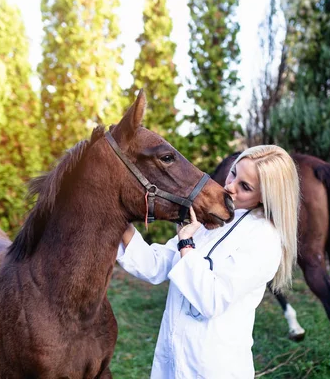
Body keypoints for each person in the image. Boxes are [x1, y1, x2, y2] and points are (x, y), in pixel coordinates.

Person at [116, 145, 300, 378]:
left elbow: (211, 299)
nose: (230, 186)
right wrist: (118, 218)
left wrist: (186, 243)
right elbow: (156, 265)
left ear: (266, 197)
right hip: (172, 360)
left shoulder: (265, 239)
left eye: (245, 187)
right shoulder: (213, 216)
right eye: (233, 173)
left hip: (212, 368)